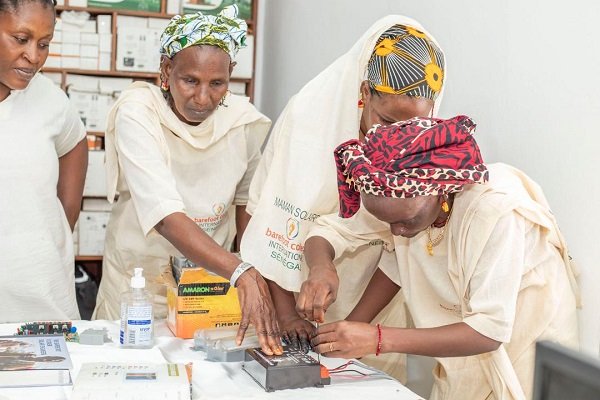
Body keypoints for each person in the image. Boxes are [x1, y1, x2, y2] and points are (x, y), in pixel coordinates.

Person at [299, 115, 580, 400]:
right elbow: (393, 262)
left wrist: (376, 339)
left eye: (405, 221)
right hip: (469, 341)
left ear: (441, 191)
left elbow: (488, 331)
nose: (396, 231)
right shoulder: (398, 198)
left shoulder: (495, 212)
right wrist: (342, 326)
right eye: (388, 223)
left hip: (525, 341)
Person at [240, 16, 445, 377]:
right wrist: (288, 313)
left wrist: (351, 333)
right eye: (384, 121)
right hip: (288, 295)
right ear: (364, 94)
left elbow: (404, 250)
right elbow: (267, 218)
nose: (395, 139)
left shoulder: (428, 146)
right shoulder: (307, 119)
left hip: (372, 314)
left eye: (410, 127)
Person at [92, 6, 281, 354]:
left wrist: (255, 271)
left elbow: (246, 206)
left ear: (231, 75)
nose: (203, 97)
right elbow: (164, 215)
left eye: (217, 83)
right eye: (190, 80)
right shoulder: (139, 111)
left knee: (202, 374)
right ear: (167, 70)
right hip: (139, 285)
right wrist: (242, 271)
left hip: (206, 287)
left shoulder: (243, 122)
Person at [0, 0, 87, 322]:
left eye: (44, 43)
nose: (34, 56)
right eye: (20, 39)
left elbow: (75, 142)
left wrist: (61, 224)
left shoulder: (49, 99)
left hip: (43, 295)